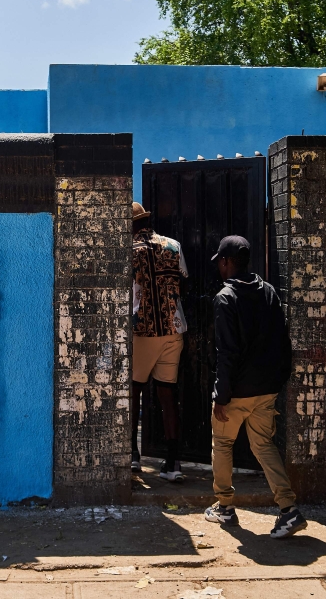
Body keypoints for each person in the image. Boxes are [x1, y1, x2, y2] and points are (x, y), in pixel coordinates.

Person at [203, 235, 308, 539]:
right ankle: (288, 509)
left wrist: (221, 396)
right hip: (265, 388)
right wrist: (279, 378)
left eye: (220, 263)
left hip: (236, 391)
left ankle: (224, 506)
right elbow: (282, 340)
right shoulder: (270, 292)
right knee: (263, 446)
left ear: (226, 262)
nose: (219, 268)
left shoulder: (225, 298)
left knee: (222, 444)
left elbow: (227, 352)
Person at [130, 201, 188, 482]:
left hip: (144, 330)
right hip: (174, 328)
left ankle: (131, 455)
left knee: (134, 391)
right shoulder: (173, 245)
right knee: (168, 396)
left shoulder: (129, 251)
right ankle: (173, 463)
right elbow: (183, 283)